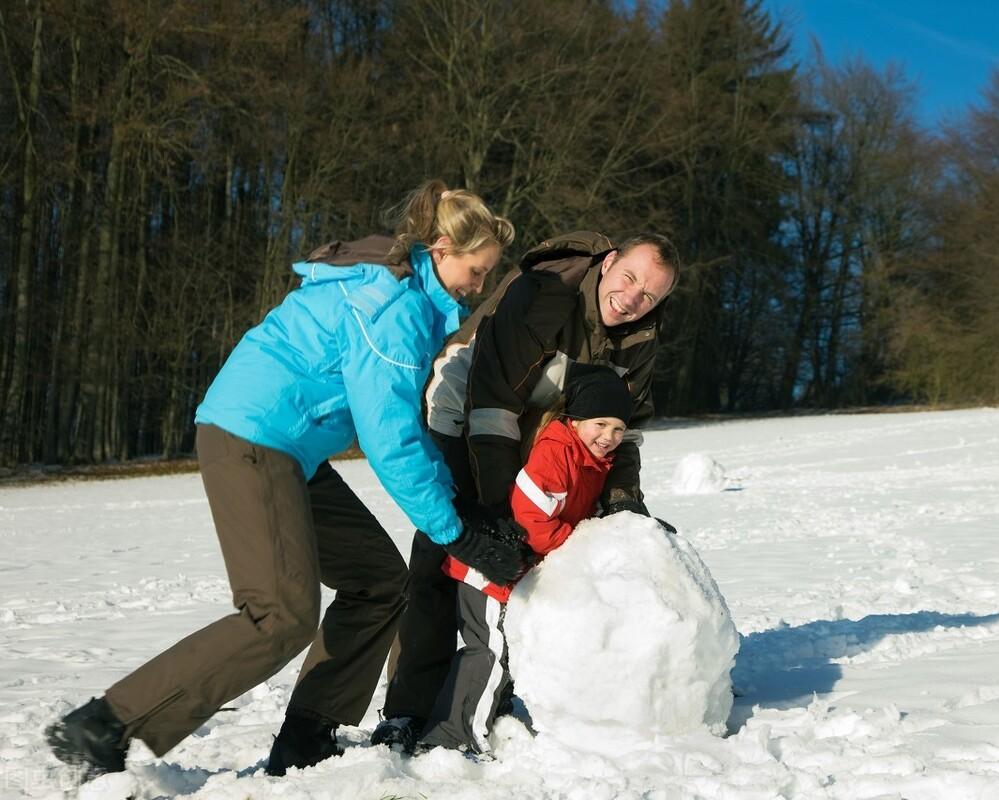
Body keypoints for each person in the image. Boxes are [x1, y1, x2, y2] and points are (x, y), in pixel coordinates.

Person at [43, 180, 531, 779]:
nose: (478, 288)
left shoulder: (410, 300)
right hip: (253, 438)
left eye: (486, 277)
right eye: (476, 272)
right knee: (278, 613)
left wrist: (455, 507)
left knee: (378, 581)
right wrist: (454, 528)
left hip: (288, 448)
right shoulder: (395, 308)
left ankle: (307, 735)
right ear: (439, 248)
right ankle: (106, 724)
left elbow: (402, 423)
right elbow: (389, 438)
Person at [372, 230, 680, 750]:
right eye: (629, 278)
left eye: (649, 295)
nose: (632, 300)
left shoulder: (641, 338)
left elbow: (623, 433)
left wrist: (625, 508)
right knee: (446, 558)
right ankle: (407, 709)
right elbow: (492, 401)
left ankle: (492, 690)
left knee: (530, 561)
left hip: (541, 434)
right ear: (608, 264)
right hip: (463, 412)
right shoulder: (545, 294)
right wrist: (497, 511)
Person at [418, 366, 634, 755]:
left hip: (515, 572)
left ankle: (489, 716)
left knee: (505, 650)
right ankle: (451, 739)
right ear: (576, 418)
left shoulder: (590, 459)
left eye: (619, 428)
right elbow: (531, 523)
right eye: (600, 423)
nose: (609, 437)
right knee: (488, 651)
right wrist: (581, 544)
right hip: (489, 569)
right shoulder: (557, 453)